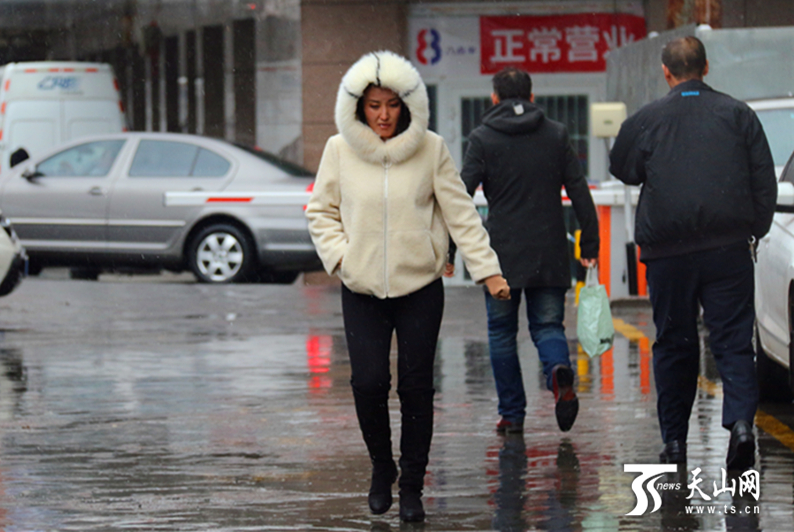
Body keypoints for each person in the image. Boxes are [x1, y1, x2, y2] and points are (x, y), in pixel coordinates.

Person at [306, 50, 510, 522]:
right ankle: (383, 467)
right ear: (358, 107)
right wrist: (342, 258)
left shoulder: (431, 148)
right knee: (369, 382)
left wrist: (488, 270)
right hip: (361, 289)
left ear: (407, 106)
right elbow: (320, 212)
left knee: (417, 387)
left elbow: (461, 214)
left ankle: (414, 485)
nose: (382, 115)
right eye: (374, 106)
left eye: (392, 105)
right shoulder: (339, 150)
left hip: (420, 287)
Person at [609, 36, 777, 470]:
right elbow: (764, 182)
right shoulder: (739, 115)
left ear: (666, 72)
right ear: (706, 68)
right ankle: (740, 426)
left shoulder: (648, 119)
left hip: (668, 253)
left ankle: (676, 444)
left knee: (674, 344)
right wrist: (753, 230)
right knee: (734, 342)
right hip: (727, 249)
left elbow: (622, 168)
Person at [453, 66, 599, 434]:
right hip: (548, 251)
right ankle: (557, 373)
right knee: (548, 326)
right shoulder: (555, 134)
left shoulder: (483, 138)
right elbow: (579, 190)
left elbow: (460, 196)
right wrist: (590, 243)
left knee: (502, 333)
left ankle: (512, 415)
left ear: (494, 99)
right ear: (532, 98)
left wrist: (449, 250)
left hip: (499, 257)